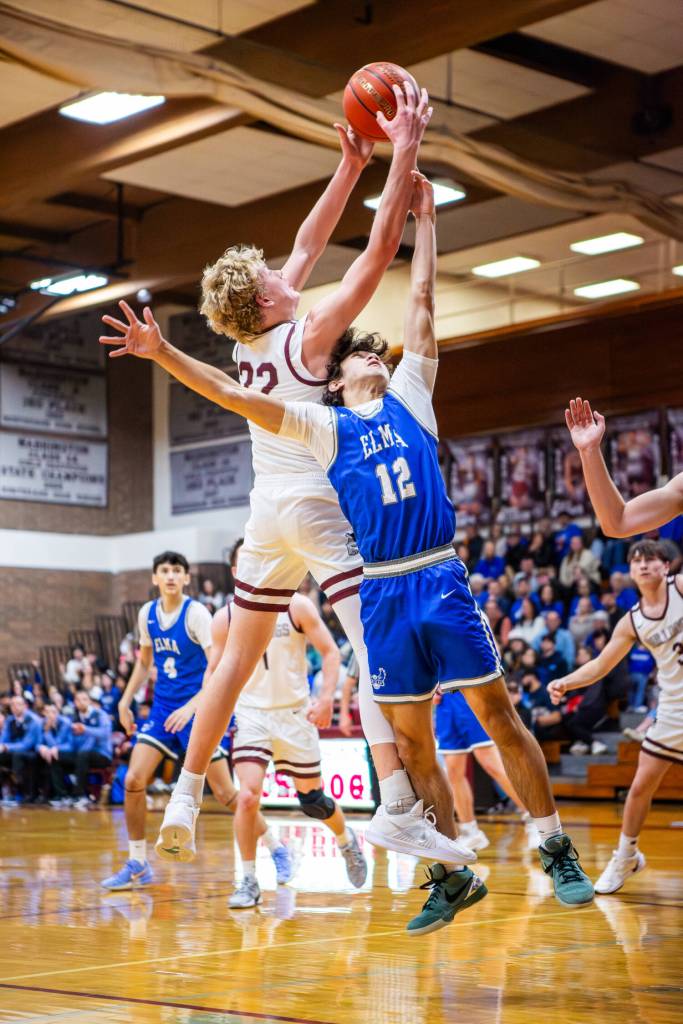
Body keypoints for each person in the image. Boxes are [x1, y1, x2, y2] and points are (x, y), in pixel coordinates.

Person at [102, 173, 594, 929]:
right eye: (363, 355)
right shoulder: (323, 420)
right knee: (407, 732)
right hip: (371, 571)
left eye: (376, 353)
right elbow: (244, 388)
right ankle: (421, 842)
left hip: (429, 574)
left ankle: (543, 843)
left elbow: (410, 296)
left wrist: (405, 203)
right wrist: (164, 352)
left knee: (492, 714)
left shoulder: (409, 391)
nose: (375, 356)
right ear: (334, 377)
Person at [102, 92, 474, 874]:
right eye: (272, 273)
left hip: (263, 513)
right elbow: (376, 251)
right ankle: (396, 805)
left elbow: (307, 241)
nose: (284, 268)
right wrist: (403, 147)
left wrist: (348, 165)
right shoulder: (307, 339)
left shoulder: (252, 343)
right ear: (265, 297)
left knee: (232, 663)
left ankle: (181, 801)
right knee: (374, 651)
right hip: (315, 506)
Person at [210, 543, 367, 908]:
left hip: (294, 715)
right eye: (245, 563)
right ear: (235, 572)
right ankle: (248, 879)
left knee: (313, 801)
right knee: (247, 796)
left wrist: (326, 698)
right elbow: (214, 673)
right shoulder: (225, 618)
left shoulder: (296, 605)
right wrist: (208, 719)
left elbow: (330, 652)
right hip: (252, 715)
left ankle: (346, 841)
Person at [549, 540, 682, 893]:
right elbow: (600, 665)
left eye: (650, 559)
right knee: (640, 786)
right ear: (630, 571)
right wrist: (566, 682)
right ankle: (626, 856)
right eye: (636, 560)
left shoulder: (680, 588)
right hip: (673, 708)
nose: (643, 565)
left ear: (666, 566)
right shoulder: (632, 621)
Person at [101, 551, 238, 890]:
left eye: (177, 570)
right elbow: (144, 662)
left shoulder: (197, 614)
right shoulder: (147, 614)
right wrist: (125, 700)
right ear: (155, 578)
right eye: (165, 570)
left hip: (198, 711)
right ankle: (137, 861)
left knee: (226, 793)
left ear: (187, 578)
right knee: (134, 779)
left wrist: (192, 707)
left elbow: (218, 668)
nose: (171, 576)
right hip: (163, 711)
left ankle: (276, 847)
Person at [434, 688, 540, 851]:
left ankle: (536, 820)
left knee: (493, 765)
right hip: (446, 703)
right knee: (453, 773)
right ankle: (470, 832)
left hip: (470, 694)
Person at [50, 689, 112, 810]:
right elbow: (71, 744)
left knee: (83, 755)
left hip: (102, 754)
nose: (81, 702)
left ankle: (80, 796)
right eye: (78, 700)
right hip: (80, 754)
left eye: (84, 699)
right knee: (56, 757)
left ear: (89, 701)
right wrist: (56, 749)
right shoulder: (74, 718)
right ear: (74, 702)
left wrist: (85, 729)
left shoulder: (100, 715)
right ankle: (62, 795)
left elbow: (105, 733)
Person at [0, 695, 42, 804]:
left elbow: (26, 745)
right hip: (15, 750)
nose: (15, 707)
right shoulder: (10, 720)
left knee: (17, 756)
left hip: (33, 751)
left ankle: (19, 792)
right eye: (12, 705)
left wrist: (6, 747)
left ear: (25, 706)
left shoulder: (33, 720)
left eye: (18, 704)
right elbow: (4, 738)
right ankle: (5, 793)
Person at [38, 703, 73, 806]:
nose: (50, 715)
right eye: (47, 712)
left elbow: (70, 744)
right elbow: (36, 742)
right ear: (43, 713)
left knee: (54, 759)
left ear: (58, 713)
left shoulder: (65, 723)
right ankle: (42, 794)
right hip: (49, 753)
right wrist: (41, 747)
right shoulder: (40, 723)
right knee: (34, 758)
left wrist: (47, 732)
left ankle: (61, 795)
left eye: (53, 712)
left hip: (69, 753)